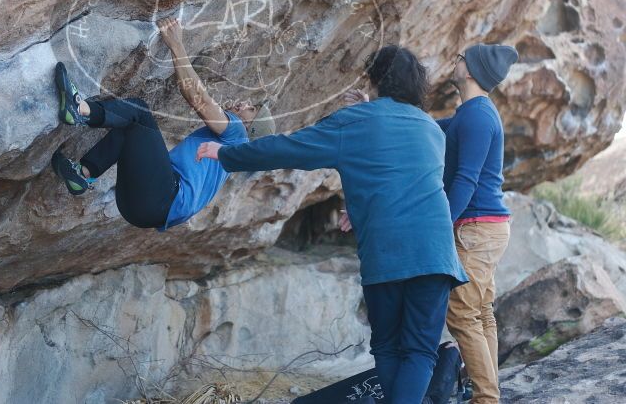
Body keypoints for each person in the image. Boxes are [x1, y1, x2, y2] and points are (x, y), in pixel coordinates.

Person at [197, 45, 468, 404]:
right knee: (420, 351)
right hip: (436, 253)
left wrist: (227, 153)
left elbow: (289, 148)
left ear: (374, 79)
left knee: (388, 346)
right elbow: (402, 177)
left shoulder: (355, 121)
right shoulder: (431, 129)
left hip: (387, 253)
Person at [50, 17, 276, 230]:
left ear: (250, 127)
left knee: (139, 113)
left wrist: (176, 44)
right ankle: (83, 174)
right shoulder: (226, 159)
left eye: (252, 109)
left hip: (163, 196)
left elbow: (199, 99)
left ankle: (79, 109)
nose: (246, 104)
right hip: (141, 211)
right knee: (131, 129)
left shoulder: (238, 134)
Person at [437, 43, 518, 404]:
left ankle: (486, 398)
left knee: (462, 312)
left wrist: (443, 224)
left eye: (459, 59)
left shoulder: (477, 116)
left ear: (469, 71)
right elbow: (431, 127)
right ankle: (484, 390)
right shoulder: (470, 114)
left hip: (477, 229)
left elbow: (466, 180)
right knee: (481, 311)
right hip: (486, 227)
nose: (454, 62)